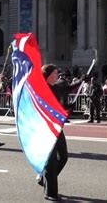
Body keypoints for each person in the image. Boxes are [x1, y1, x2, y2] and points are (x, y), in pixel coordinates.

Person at [41, 64, 68, 201]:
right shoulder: (41, 90)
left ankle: (43, 178)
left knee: (63, 157)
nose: (57, 76)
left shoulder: (55, 87)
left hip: (57, 127)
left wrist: (82, 80)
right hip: (46, 129)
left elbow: (67, 88)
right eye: (55, 74)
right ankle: (50, 192)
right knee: (50, 162)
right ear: (48, 75)